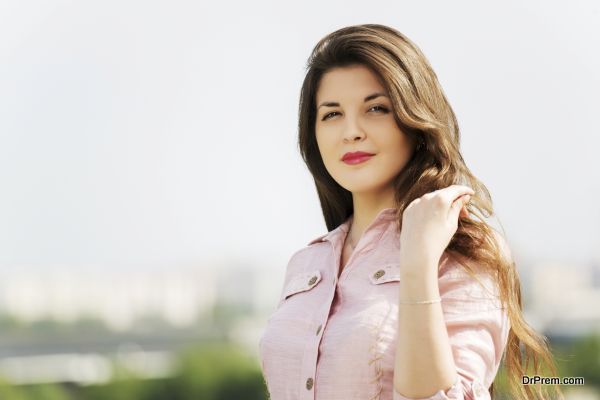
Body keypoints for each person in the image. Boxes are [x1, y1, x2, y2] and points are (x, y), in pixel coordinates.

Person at [258, 24, 562, 400]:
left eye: (376, 108)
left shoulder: (464, 250)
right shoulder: (307, 263)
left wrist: (417, 261)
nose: (351, 131)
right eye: (332, 114)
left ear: (414, 120)